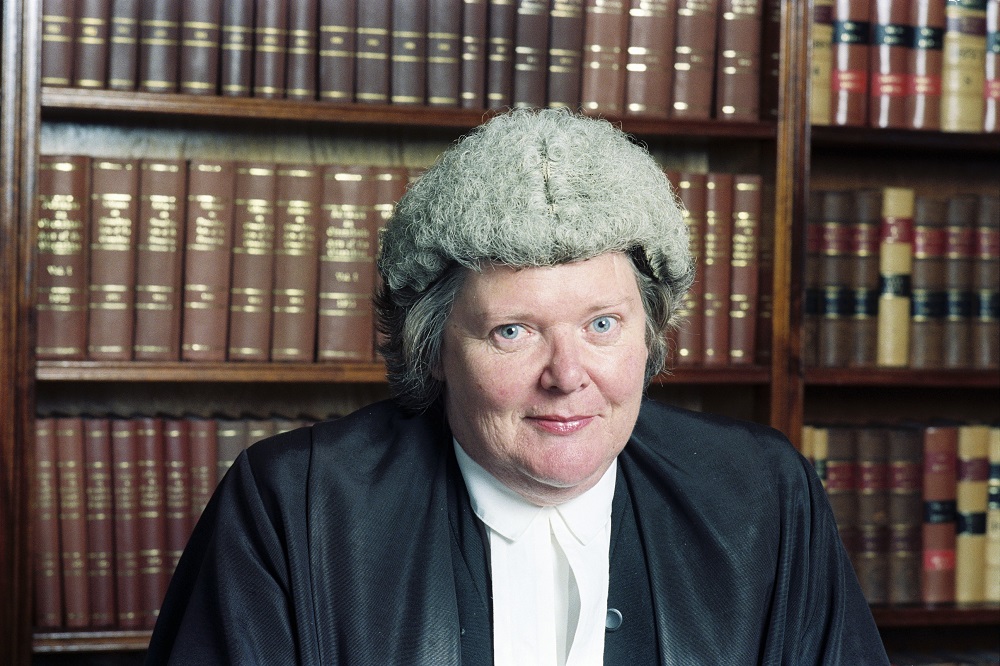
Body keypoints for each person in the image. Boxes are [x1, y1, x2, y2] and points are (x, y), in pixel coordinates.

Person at [146, 108, 889, 665]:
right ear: (434, 349)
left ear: (650, 332)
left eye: (602, 325)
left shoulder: (764, 495)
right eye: (513, 331)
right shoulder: (291, 504)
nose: (567, 376)